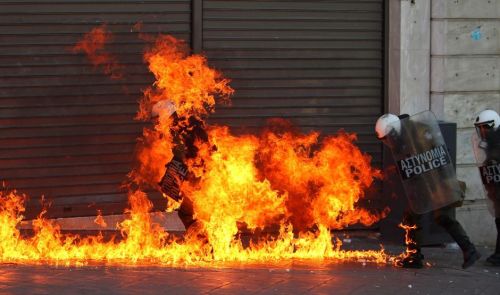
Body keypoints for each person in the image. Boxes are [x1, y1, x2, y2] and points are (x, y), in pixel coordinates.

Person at [375, 113, 481, 269]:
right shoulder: (400, 138)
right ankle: (414, 256)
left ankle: (470, 250)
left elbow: (436, 153)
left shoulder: (418, 133)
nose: (387, 142)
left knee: (443, 217)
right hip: (421, 184)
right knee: (411, 216)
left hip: (437, 180)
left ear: (393, 130)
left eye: (387, 138)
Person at [152, 100, 211, 230]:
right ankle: (202, 245)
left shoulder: (177, 128)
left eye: (157, 119)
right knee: (189, 213)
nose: (157, 123)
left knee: (188, 213)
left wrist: (174, 177)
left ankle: (203, 246)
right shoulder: (186, 124)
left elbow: (182, 155)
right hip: (201, 174)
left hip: (198, 176)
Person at [474, 109, 500, 266]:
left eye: (485, 127)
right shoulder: (492, 141)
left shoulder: (497, 142)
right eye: (480, 127)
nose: (482, 131)